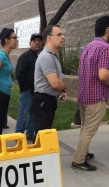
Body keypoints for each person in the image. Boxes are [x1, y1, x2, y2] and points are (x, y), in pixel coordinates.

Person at [72, 16, 109, 171]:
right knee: (90, 130)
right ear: (108, 29)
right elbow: (103, 75)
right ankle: (79, 160)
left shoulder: (88, 46)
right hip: (96, 96)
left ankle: (84, 153)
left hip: (84, 95)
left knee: (85, 127)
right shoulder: (105, 48)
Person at [33, 25, 67, 139]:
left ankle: (40, 156)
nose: (62, 37)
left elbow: (57, 83)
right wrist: (64, 86)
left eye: (62, 34)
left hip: (48, 100)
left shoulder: (52, 56)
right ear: (49, 38)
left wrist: (61, 89)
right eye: (59, 35)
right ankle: (38, 157)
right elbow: (55, 83)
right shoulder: (46, 57)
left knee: (43, 134)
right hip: (44, 100)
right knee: (42, 136)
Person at [15, 33, 43, 141]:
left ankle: (30, 134)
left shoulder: (38, 57)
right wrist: (26, 89)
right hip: (27, 92)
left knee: (33, 114)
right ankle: (18, 135)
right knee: (23, 113)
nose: (37, 43)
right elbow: (19, 74)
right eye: (34, 40)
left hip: (36, 91)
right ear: (30, 43)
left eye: (39, 41)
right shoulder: (25, 56)